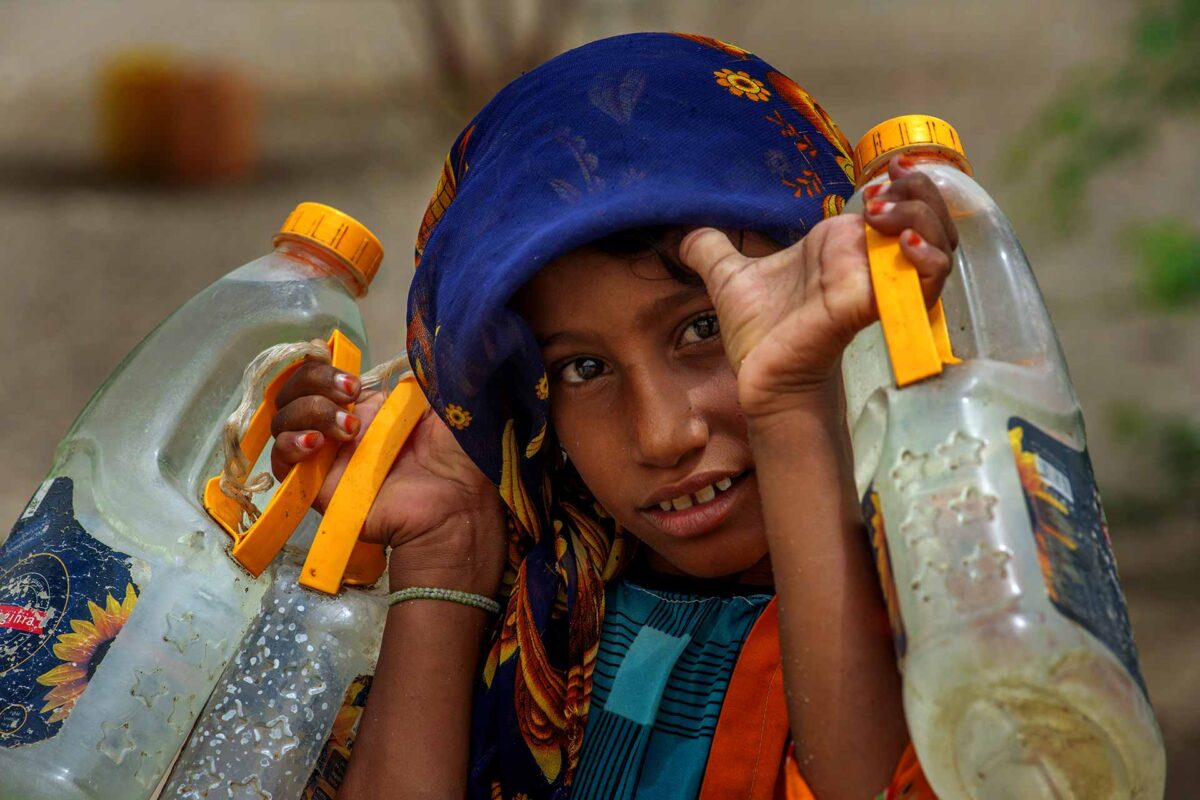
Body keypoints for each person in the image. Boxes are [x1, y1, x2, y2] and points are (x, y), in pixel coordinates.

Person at [271, 33, 955, 799]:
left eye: (703, 328)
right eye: (582, 369)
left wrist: (790, 399)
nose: (665, 435)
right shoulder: (540, 604)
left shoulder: (965, 562)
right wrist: (444, 550)